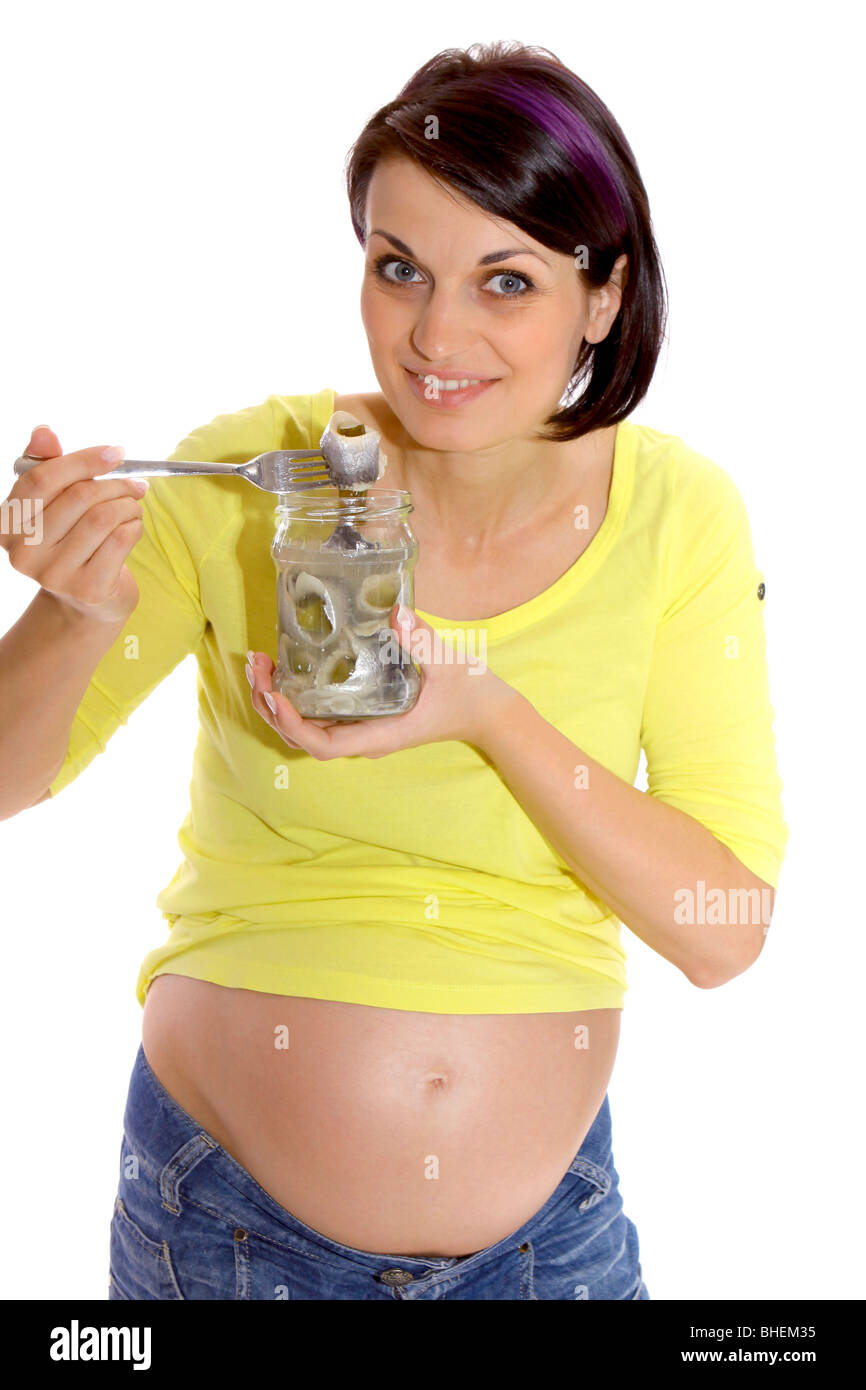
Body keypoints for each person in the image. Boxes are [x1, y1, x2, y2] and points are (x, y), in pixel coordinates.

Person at [0, 41, 788, 1301]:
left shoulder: (675, 516)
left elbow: (724, 932)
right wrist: (77, 610)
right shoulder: (257, 475)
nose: (435, 333)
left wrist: (485, 712)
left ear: (602, 296)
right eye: (398, 267)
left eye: (506, 281)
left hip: (547, 1254)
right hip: (224, 1235)